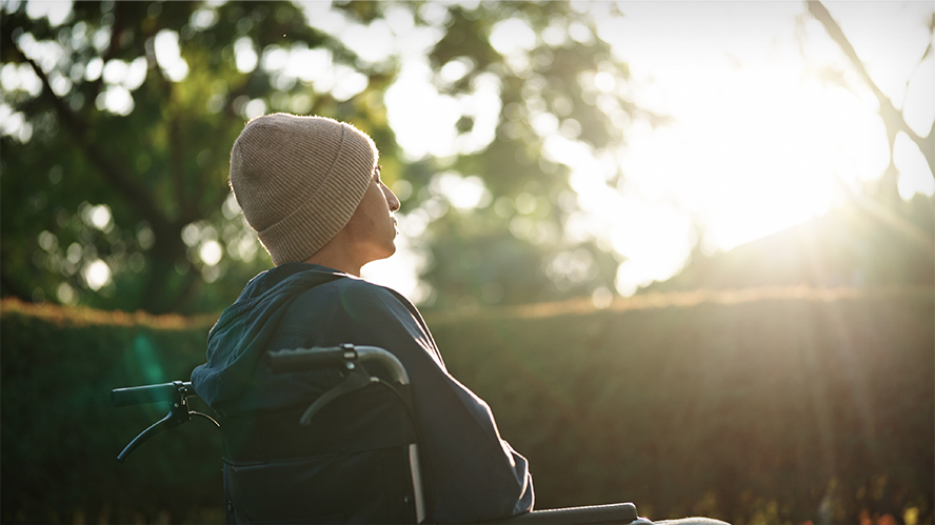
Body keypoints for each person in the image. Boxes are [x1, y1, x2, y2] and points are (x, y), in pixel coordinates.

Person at [191, 114, 533, 524]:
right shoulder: (363, 311)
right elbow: (494, 484)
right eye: (374, 178)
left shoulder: (234, 332)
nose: (393, 199)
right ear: (339, 204)